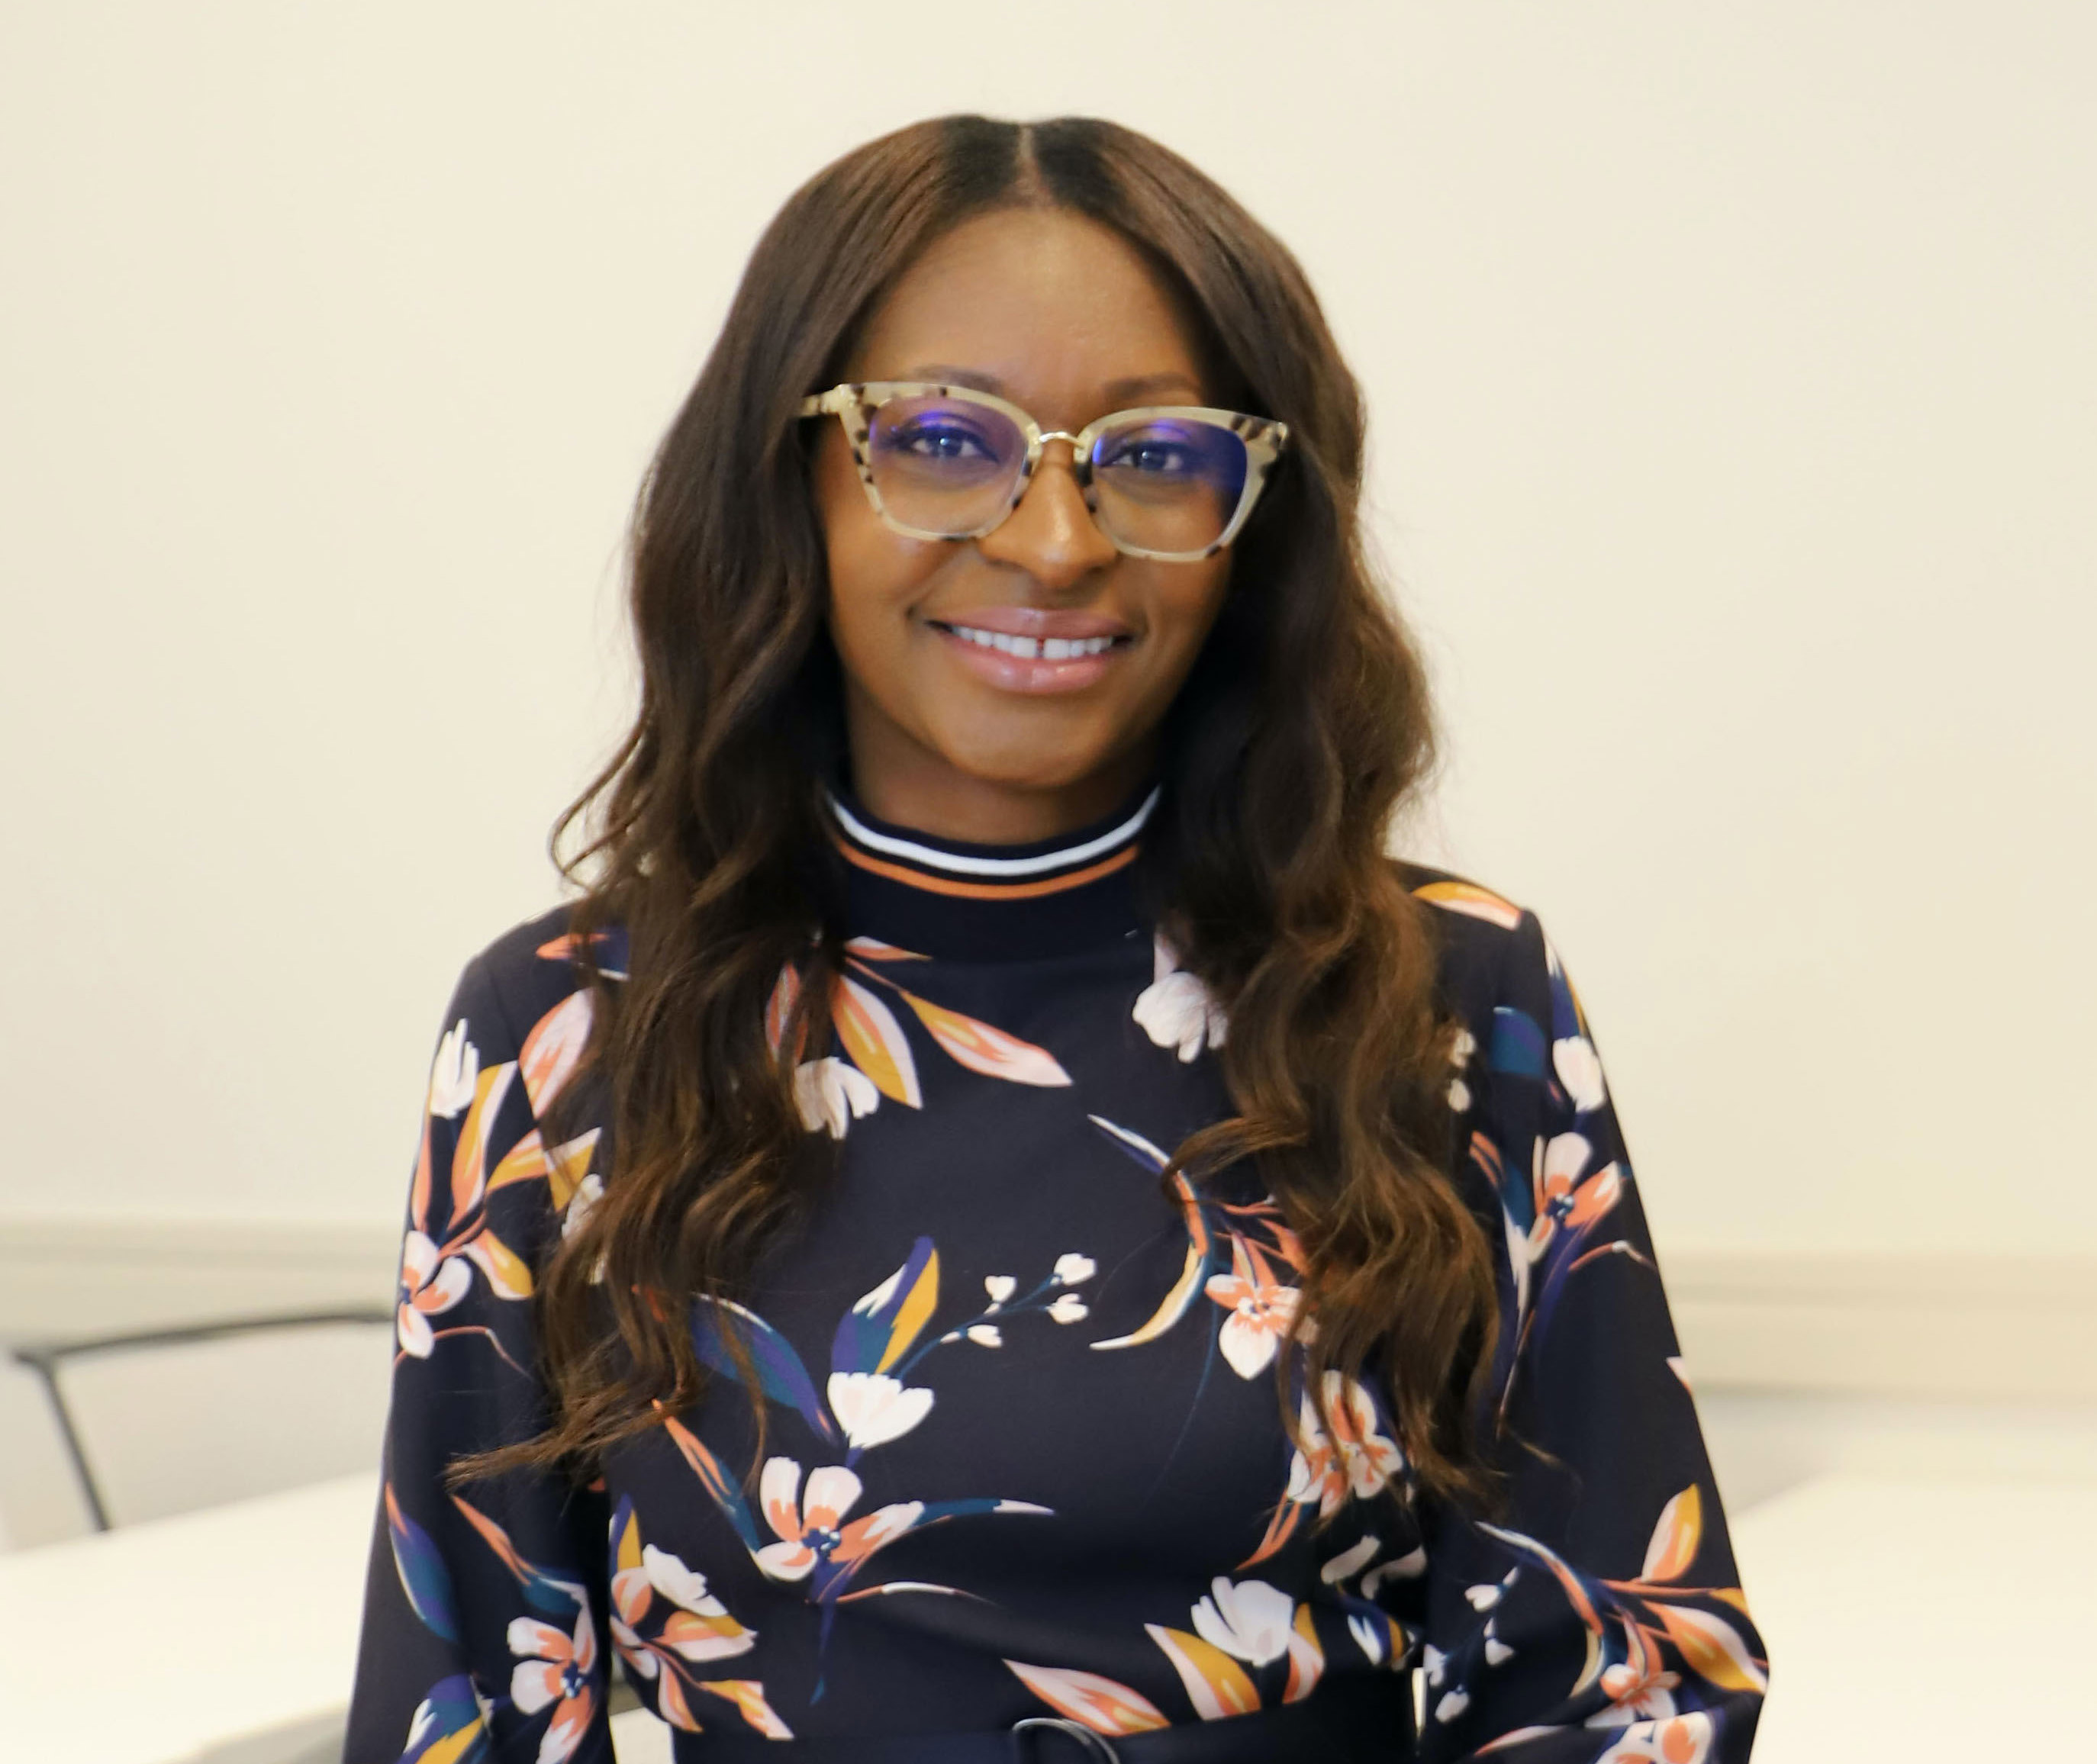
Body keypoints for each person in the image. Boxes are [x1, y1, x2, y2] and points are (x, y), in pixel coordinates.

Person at [344, 115, 1765, 1764]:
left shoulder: (1449, 1001)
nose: (1055, 539)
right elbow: (466, 1706)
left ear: (1254, 524)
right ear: (789, 471)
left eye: (1157, 454)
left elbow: (1622, 1685)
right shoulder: (566, 1026)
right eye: (943, 438)